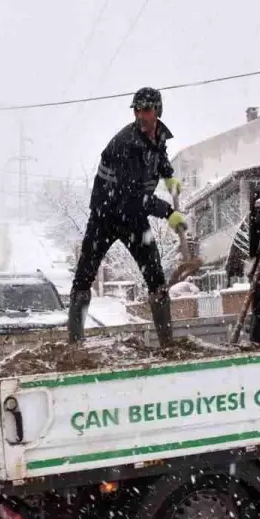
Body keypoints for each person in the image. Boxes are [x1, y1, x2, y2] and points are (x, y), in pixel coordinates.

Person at [69, 87, 187, 347]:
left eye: (146, 110)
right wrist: (169, 213)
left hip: (133, 219)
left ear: (157, 111)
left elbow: (159, 154)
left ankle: (167, 345)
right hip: (105, 216)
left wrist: (168, 176)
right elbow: (133, 197)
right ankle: (74, 345)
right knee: (83, 278)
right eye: (137, 110)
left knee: (156, 279)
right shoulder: (126, 144)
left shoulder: (158, 136)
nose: (141, 115)